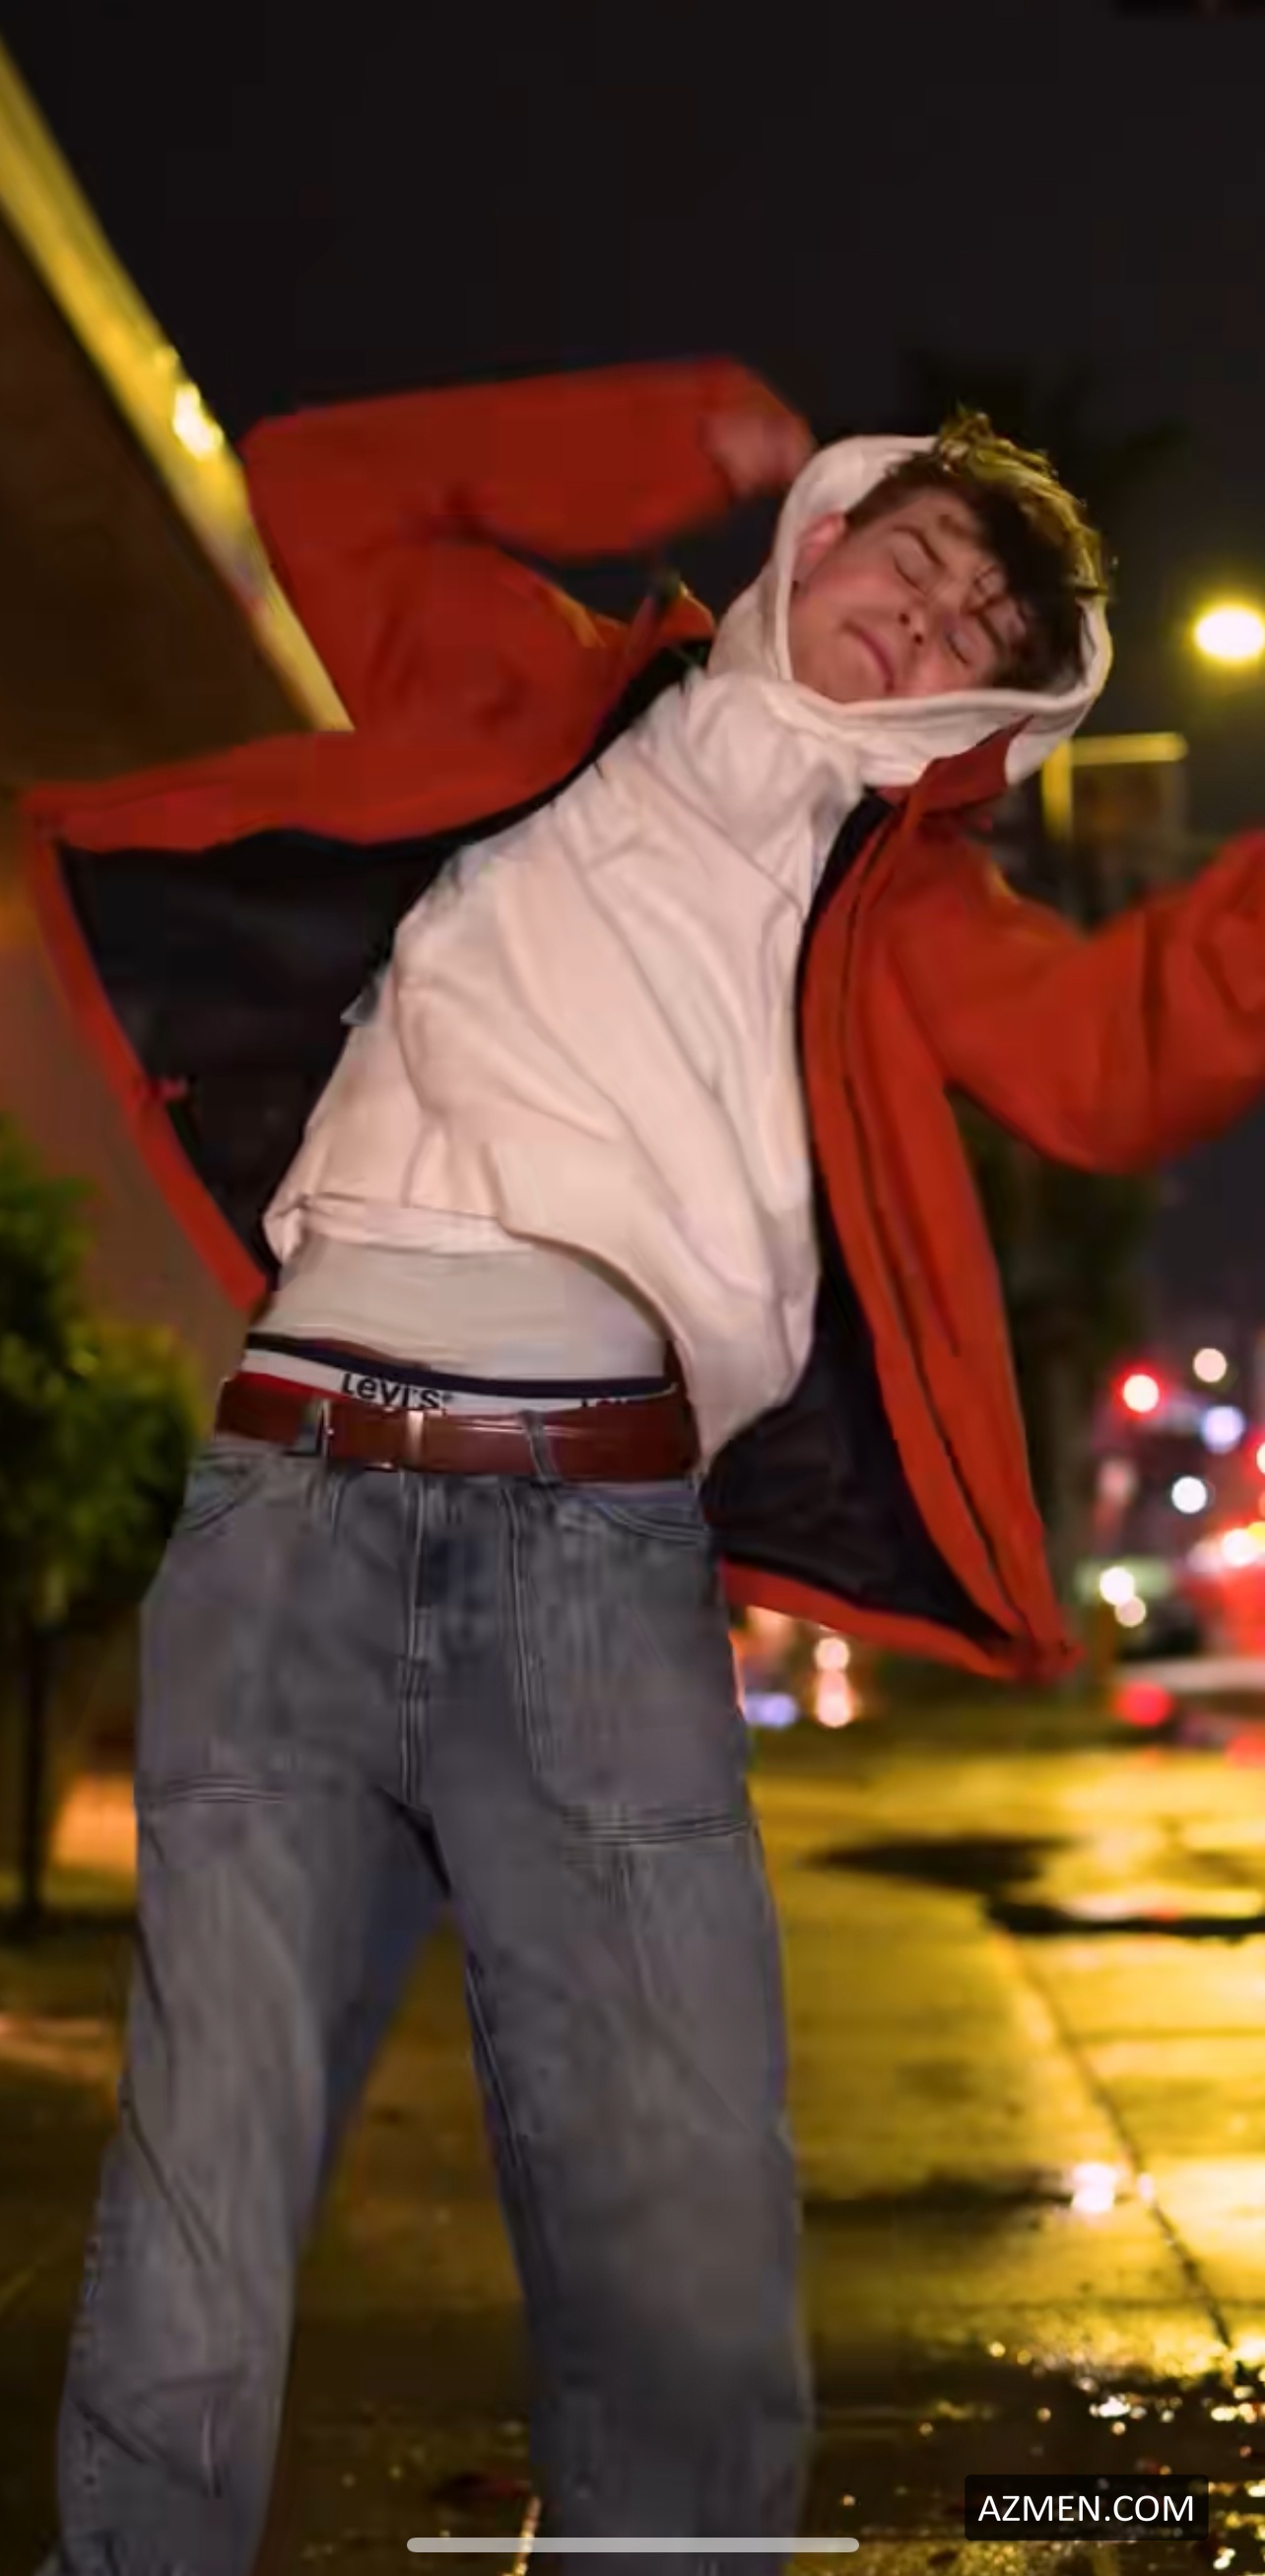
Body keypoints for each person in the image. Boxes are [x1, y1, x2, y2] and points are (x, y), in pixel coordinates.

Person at [22, 359, 1265, 2574]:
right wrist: (682, 438)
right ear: (831, 532)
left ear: (985, 713)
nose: (924, 623)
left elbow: (1113, 1054)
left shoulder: (907, 911)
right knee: (206, 2178)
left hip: (592, 1557)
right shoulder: (537, 685)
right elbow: (324, 488)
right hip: (295, 1503)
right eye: (917, 563)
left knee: (679, 2225)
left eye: (980, 636)